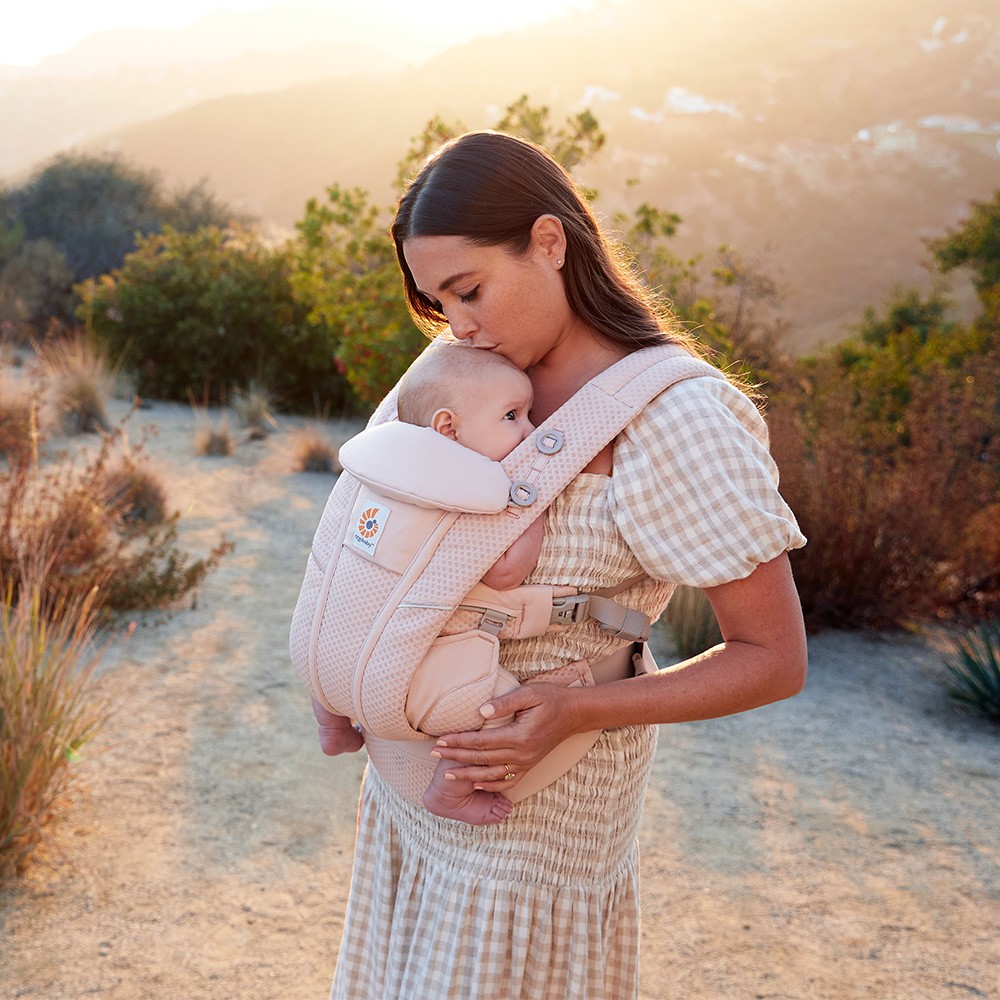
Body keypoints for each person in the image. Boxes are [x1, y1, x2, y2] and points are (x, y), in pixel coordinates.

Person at [319, 130, 808, 999]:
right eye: (437, 303)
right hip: (410, 792)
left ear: (550, 243)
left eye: (470, 291)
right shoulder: (462, 370)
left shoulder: (676, 418)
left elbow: (773, 658)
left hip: (538, 814)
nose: (457, 325)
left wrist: (577, 711)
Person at [311, 342, 547, 824]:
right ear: (448, 429)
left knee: (332, 645)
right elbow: (504, 571)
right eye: (512, 416)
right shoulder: (472, 489)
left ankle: (332, 727)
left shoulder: (380, 463)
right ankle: (451, 789)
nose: (531, 428)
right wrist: (531, 516)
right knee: (499, 714)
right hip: (410, 678)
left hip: (321, 652)